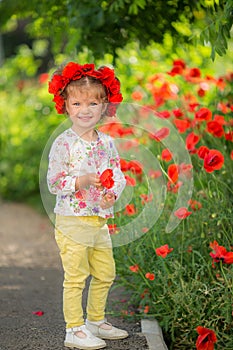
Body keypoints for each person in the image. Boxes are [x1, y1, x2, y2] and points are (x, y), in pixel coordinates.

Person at [47, 62, 128, 350]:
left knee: (105, 272)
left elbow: (117, 174)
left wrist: (112, 193)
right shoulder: (63, 143)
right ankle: (74, 329)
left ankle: (95, 321)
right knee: (76, 276)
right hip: (72, 220)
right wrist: (79, 180)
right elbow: (54, 182)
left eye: (93, 102)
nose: (85, 109)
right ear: (66, 105)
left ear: (104, 105)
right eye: (77, 102)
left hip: (98, 220)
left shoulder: (106, 142)